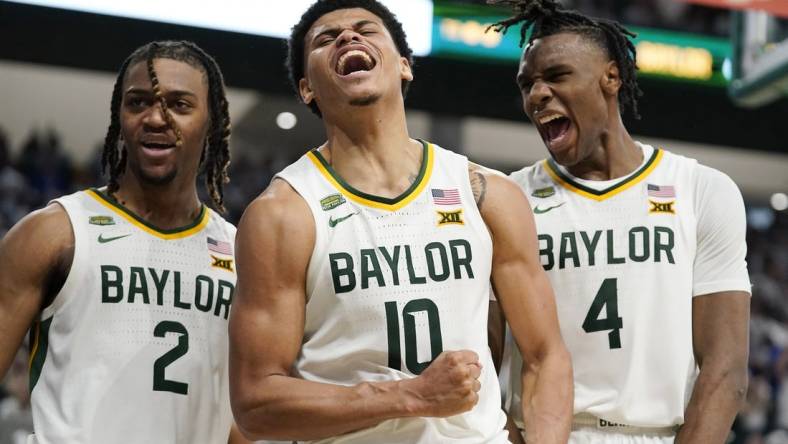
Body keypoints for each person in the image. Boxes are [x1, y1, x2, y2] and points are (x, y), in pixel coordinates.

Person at [228, 0, 573, 443]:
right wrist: (410, 397)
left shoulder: (486, 193)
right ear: (306, 89)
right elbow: (256, 403)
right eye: (326, 39)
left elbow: (546, 357)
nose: (348, 38)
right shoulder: (282, 213)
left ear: (405, 65)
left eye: (366, 30)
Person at [487, 1, 752, 442]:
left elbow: (725, 371)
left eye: (555, 76)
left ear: (611, 77)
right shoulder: (507, 199)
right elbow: (482, 355)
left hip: (660, 433)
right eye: (527, 83)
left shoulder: (702, 188)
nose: (536, 95)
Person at [0, 40, 248, 443]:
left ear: (213, 122)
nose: (155, 118)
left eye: (179, 105)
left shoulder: (241, 253)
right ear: (120, 115)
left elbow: (238, 417)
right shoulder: (53, 232)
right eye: (138, 103)